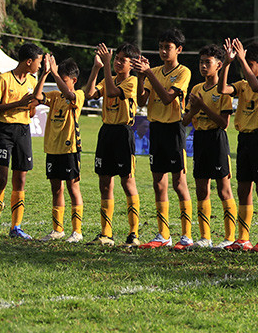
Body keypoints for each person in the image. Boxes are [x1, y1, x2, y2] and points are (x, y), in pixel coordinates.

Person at [219, 38, 258, 252]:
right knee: (243, 188)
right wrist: (227, 63)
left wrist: (242, 59)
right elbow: (222, 88)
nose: (244, 69)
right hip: (244, 139)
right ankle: (243, 238)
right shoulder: (242, 85)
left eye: (249, 64)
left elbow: (257, 86)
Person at [134, 29, 193, 250]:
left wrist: (148, 74)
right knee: (159, 183)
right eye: (160, 47)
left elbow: (168, 98)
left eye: (167, 47)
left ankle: (186, 236)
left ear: (179, 49)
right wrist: (142, 77)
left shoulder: (183, 72)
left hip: (174, 129)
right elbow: (141, 100)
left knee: (179, 183)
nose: (163, 51)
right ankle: (163, 234)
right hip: (156, 129)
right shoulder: (155, 71)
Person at [84, 42, 142, 246]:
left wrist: (107, 65)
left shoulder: (132, 81)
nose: (118, 62)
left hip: (123, 132)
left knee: (127, 182)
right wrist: (96, 68)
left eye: (122, 60)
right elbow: (89, 94)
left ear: (131, 64)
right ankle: (106, 233)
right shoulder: (108, 77)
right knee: (105, 182)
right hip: (106, 131)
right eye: (116, 58)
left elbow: (111, 92)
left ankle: (133, 234)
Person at [181, 44, 236, 249]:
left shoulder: (224, 90)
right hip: (200, 139)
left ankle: (230, 237)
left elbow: (224, 123)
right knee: (201, 189)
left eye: (208, 62)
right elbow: (185, 121)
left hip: (217, 139)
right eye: (201, 62)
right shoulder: (196, 89)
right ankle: (205, 237)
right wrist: (194, 110)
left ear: (219, 65)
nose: (203, 66)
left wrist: (202, 106)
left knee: (223, 189)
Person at [0, 43, 43, 239]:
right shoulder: (3, 79)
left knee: (20, 179)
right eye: (38, 62)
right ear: (29, 61)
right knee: (1, 178)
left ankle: (16, 227)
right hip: (4, 130)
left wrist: (32, 106)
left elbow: (31, 111)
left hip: (23, 131)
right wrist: (19, 103)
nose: (39, 66)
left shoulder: (32, 81)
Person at [35, 55, 86, 243]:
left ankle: (77, 232)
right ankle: (58, 230)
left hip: (69, 148)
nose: (60, 84)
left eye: (64, 81)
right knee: (56, 189)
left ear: (74, 80)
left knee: (73, 188)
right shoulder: (55, 96)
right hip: (52, 149)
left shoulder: (78, 95)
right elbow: (37, 97)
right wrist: (45, 74)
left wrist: (55, 73)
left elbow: (70, 96)